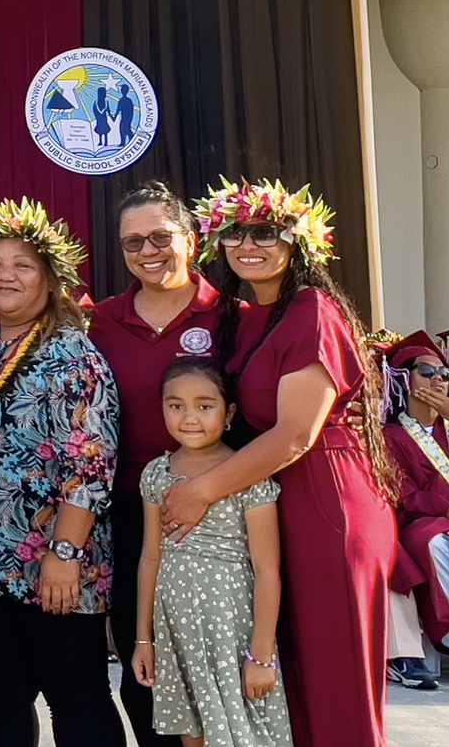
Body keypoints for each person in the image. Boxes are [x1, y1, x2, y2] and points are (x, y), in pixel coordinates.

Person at [168, 179, 395, 747]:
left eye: (266, 233)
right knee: (283, 684)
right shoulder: (244, 318)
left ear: (296, 243)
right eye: (236, 233)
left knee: (335, 680)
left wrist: (199, 492)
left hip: (326, 499)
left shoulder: (311, 309)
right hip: (270, 502)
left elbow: (295, 435)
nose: (250, 244)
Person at [0, 198, 125, 747]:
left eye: (23, 265)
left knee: (78, 698)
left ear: (49, 279)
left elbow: (91, 463)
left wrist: (64, 556)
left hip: (52, 566)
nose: (6, 275)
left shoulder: (71, 353)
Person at [88, 180, 221, 747]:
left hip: (215, 508)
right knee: (143, 656)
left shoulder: (230, 315)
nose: (147, 252)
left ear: (191, 239)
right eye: (132, 242)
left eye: (161, 237)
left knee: (212, 658)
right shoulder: (101, 321)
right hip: (127, 512)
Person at [133, 357, 292, 747]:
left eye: (205, 406)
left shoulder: (247, 473)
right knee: (194, 732)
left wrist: (261, 655)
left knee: (242, 731)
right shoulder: (156, 474)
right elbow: (151, 556)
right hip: (176, 629)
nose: (189, 417)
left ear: (229, 413)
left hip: (231, 629)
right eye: (176, 405)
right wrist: (143, 639)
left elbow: (267, 569)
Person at [378, 331, 449, 688]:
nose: (438, 379)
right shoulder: (391, 436)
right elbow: (404, 496)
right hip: (419, 523)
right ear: (404, 380)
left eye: (445, 374)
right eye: (427, 371)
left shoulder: (447, 428)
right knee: (431, 539)